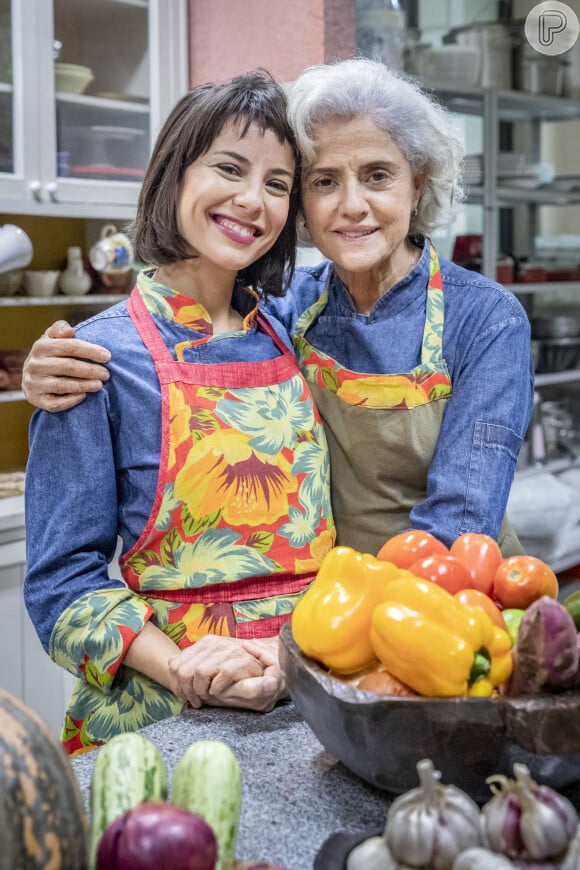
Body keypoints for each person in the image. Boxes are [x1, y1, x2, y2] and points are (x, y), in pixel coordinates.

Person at [24, 58, 534, 555]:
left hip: (452, 602)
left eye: (378, 175)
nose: (352, 205)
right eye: (324, 181)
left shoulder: (486, 319)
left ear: (417, 182)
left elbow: (460, 524)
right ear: (300, 204)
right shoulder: (286, 309)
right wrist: (62, 363)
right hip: (325, 609)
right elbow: (184, 326)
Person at [23, 71, 335, 755]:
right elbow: (60, 587)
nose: (252, 201)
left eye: (278, 185)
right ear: (174, 174)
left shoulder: (298, 328)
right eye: (229, 167)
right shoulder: (96, 360)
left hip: (312, 695)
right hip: (162, 716)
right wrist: (185, 670)